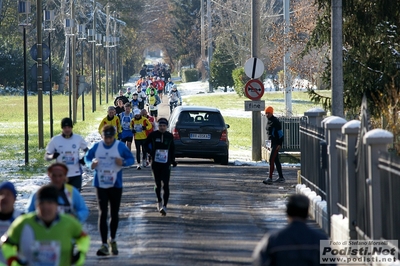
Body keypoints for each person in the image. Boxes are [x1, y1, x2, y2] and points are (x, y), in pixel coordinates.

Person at [1, 184, 90, 266]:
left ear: (56, 205)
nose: (45, 207)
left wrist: (81, 255)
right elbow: (6, 243)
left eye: (49, 203)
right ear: (36, 205)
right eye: (41, 203)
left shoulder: (69, 222)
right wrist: (13, 261)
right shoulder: (23, 222)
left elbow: (84, 238)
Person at [84, 125, 134, 256]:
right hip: (100, 184)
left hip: (115, 184)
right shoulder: (97, 146)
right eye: (106, 137)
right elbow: (87, 158)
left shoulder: (120, 146)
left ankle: (113, 239)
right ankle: (104, 244)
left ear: (114, 136)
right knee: (103, 213)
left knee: (114, 213)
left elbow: (131, 160)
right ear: (102, 136)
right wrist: (91, 164)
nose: (108, 140)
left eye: (110, 137)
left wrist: (122, 162)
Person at [252, 194, 331, 266]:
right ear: (307, 213)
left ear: (287, 212)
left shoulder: (272, 240)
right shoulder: (320, 240)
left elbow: (259, 261)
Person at [45, 117, 89, 192]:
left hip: (76, 174)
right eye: (65, 127)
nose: (67, 130)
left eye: (69, 127)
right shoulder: (55, 140)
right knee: (62, 200)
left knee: (74, 200)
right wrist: (52, 156)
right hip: (61, 176)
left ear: (72, 127)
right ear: (62, 128)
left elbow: (88, 152)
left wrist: (85, 159)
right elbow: (46, 156)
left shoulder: (78, 139)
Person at [144, 118, 177, 216]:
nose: (162, 127)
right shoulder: (153, 135)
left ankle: (165, 206)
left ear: (166, 127)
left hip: (166, 164)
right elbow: (145, 145)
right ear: (158, 126)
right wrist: (151, 153)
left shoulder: (169, 136)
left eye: (164, 126)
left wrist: (173, 160)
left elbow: (172, 149)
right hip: (155, 163)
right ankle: (159, 201)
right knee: (158, 184)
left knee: (165, 184)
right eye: (160, 126)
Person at [0, 182, 23, 265]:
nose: (4, 197)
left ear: (14, 199)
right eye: (1, 194)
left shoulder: (22, 218)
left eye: (8, 194)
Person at [263, 106, 285, 184]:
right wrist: (268, 145)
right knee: (276, 160)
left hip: (276, 143)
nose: (267, 114)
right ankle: (281, 177)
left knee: (271, 159)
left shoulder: (275, 121)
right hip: (271, 143)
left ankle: (270, 178)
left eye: (268, 113)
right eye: (266, 113)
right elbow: (269, 134)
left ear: (272, 113)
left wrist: (280, 143)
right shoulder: (269, 121)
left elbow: (280, 134)